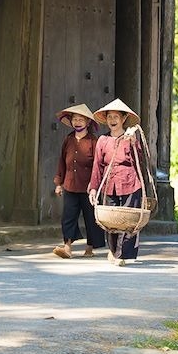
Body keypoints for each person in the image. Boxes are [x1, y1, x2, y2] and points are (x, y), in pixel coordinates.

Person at [88, 98, 147, 266]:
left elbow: (140, 160)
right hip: (109, 184)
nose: (112, 120)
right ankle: (114, 251)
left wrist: (133, 142)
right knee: (111, 220)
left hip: (130, 182)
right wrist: (93, 188)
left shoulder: (131, 139)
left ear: (123, 119)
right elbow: (97, 166)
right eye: (109, 117)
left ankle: (123, 255)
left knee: (129, 221)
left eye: (116, 117)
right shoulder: (102, 140)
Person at [52, 103, 106, 259]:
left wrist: (95, 185)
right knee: (68, 216)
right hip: (70, 184)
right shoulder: (68, 139)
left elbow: (98, 164)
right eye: (75, 119)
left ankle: (90, 247)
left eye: (81, 119)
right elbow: (62, 161)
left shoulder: (93, 141)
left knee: (90, 218)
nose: (77, 122)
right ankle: (67, 247)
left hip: (89, 187)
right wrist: (58, 183)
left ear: (88, 122)